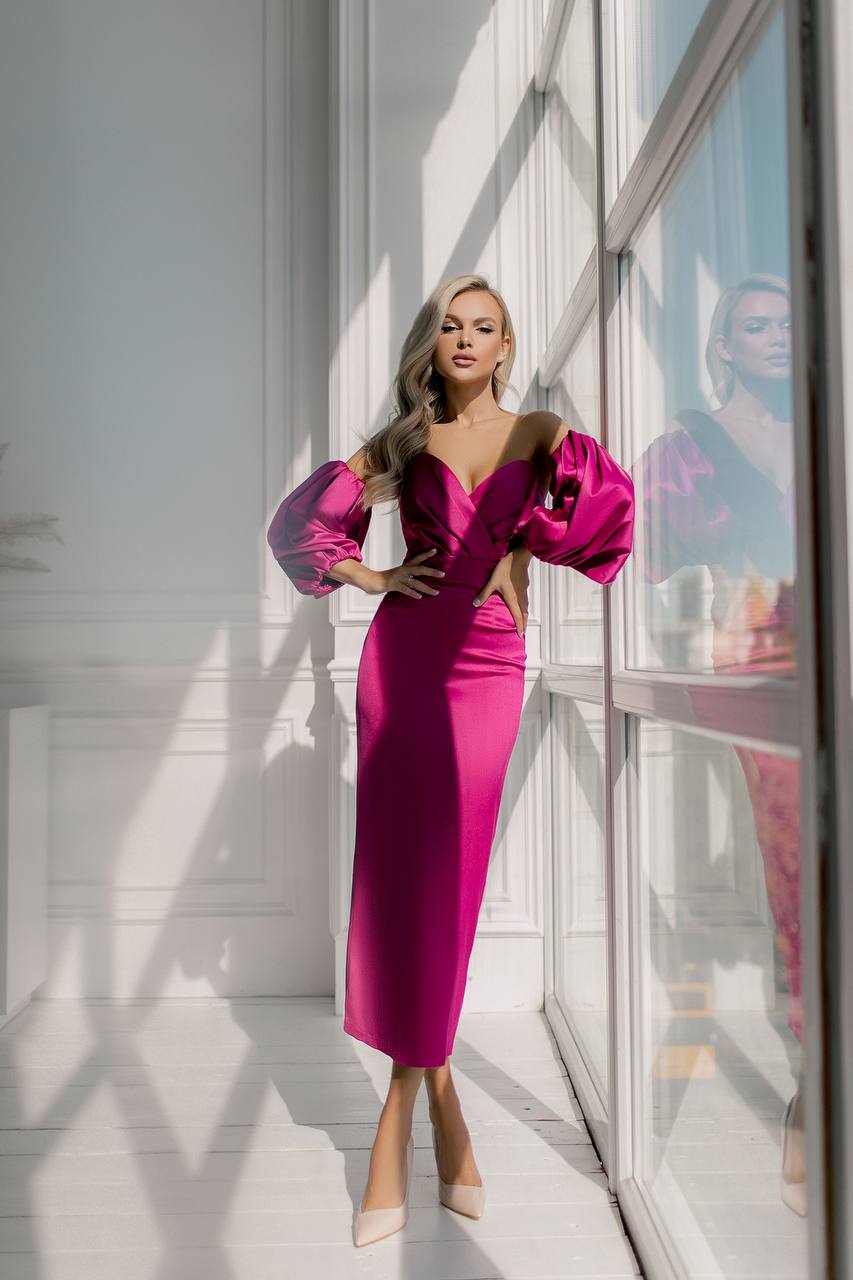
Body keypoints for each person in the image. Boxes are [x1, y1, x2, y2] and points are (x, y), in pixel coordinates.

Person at [267, 272, 635, 1246]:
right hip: (404, 654)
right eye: (449, 327)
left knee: (454, 878)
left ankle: (417, 1105)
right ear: (431, 346)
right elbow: (295, 526)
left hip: (486, 666)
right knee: (399, 878)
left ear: (507, 348)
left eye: (484, 327)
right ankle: (421, 1102)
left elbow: (605, 513)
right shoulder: (403, 442)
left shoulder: (540, 433)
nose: (465, 339)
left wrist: (523, 552)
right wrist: (372, 570)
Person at [635, 273, 805, 1217]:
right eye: (754, 324)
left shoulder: (832, 423)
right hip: (765, 677)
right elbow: (647, 558)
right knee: (796, 883)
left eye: (786, 322)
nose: (775, 337)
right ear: (723, 346)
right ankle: (811, 1094)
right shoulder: (685, 451)